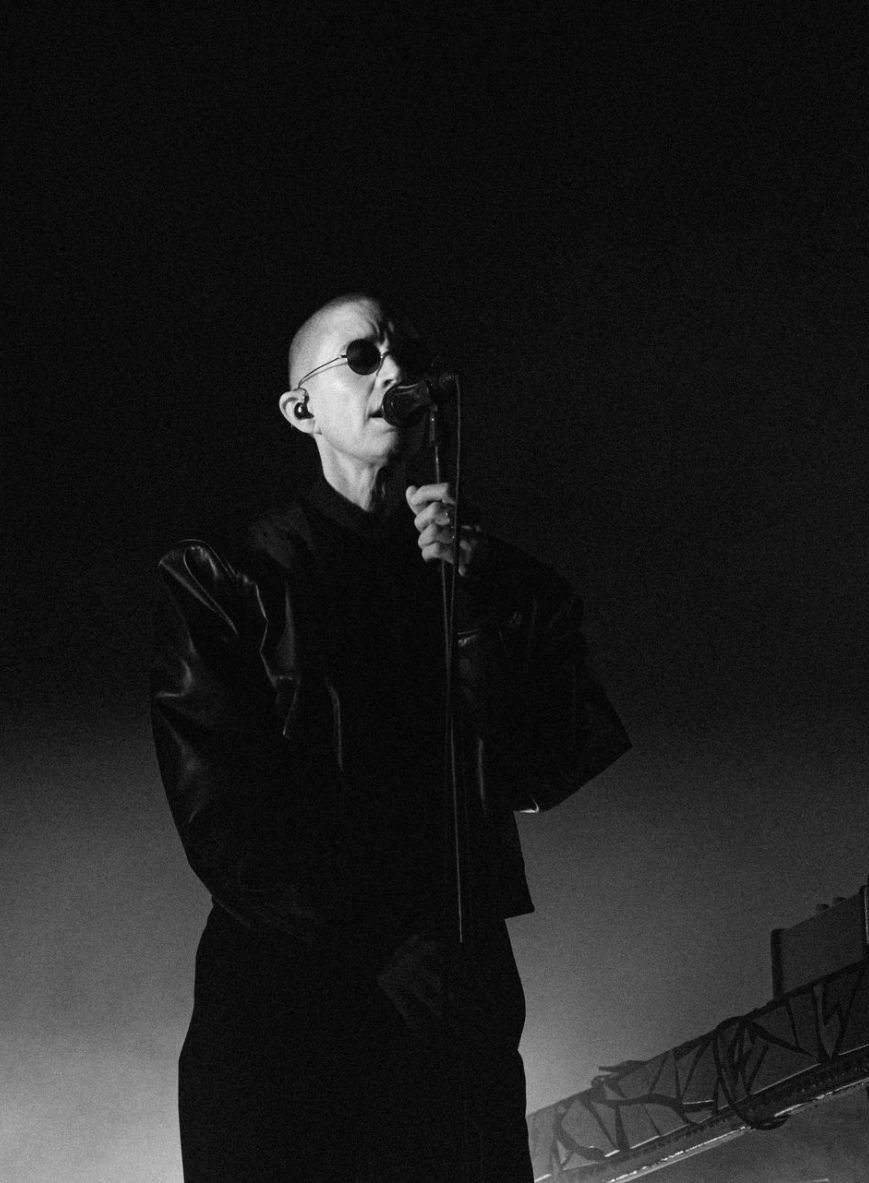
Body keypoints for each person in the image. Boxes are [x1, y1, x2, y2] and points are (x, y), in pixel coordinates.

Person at [152, 293, 629, 1181]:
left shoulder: (470, 572)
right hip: (290, 1009)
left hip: (448, 1005)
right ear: (301, 408)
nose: (397, 371)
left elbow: (551, 759)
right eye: (364, 357)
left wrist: (481, 593)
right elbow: (221, 813)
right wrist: (378, 944)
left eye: (409, 351)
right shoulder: (226, 573)